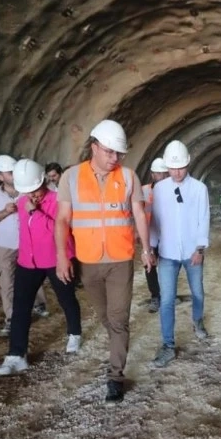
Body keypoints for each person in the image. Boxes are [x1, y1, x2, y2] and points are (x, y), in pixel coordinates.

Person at [55, 119, 153, 403]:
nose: (115, 158)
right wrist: (63, 257)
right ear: (94, 147)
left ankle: (115, 376)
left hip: (120, 259)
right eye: (109, 152)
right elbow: (62, 220)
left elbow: (138, 215)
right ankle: (116, 351)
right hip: (88, 261)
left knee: (118, 319)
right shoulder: (70, 178)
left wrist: (146, 249)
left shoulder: (128, 177)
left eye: (119, 154)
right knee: (105, 318)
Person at [0, 159, 82, 375]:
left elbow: (61, 230)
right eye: (28, 191)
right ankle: (16, 355)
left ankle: (74, 333)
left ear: (43, 182)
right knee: (21, 307)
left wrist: (37, 213)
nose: (32, 195)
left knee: (66, 298)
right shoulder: (23, 202)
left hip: (56, 259)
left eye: (35, 190)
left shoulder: (59, 200)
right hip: (28, 262)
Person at [150, 140, 210, 368]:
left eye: (181, 167)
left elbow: (204, 218)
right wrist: (152, 248)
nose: (176, 172)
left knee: (198, 293)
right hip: (167, 253)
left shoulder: (198, 189)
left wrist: (200, 248)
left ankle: (197, 320)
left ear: (188, 165)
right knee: (166, 300)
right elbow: (155, 221)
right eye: (172, 168)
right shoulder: (159, 189)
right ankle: (168, 345)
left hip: (192, 252)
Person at [0, 154, 48, 337]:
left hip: (30, 242)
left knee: (35, 274)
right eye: (9, 173)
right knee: (7, 281)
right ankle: (12, 318)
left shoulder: (28, 190)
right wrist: (4, 212)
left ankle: (39, 304)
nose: (14, 175)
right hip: (5, 245)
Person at [142, 157, 169, 313]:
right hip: (150, 236)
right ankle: (155, 296)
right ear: (153, 175)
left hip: (167, 237)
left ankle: (165, 295)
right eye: (159, 174)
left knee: (167, 266)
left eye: (165, 173)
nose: (163, 177)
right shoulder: (145, 191)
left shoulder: (173, 189)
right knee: (149, 266)